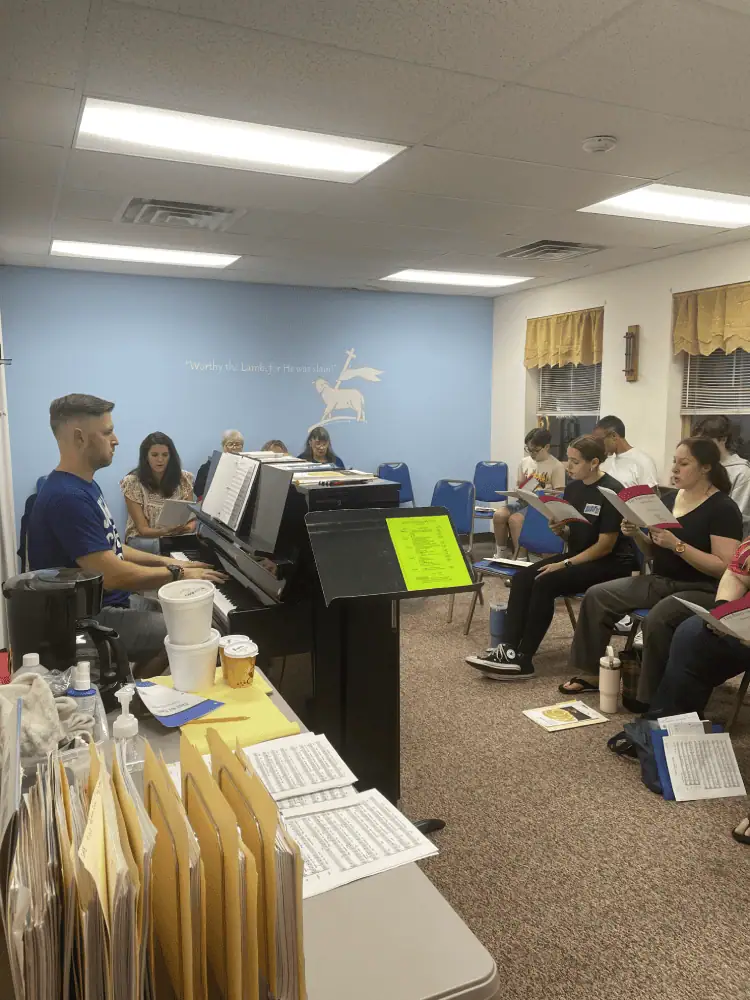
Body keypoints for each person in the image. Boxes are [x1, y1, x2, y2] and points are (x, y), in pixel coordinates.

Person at [29, 394, 226, 676]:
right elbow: (112, 575)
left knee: (179, 612)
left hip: (109, 602)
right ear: (80, 438)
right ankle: (133, 696)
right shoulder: (67, 498)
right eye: (107, 432)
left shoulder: (83, 485)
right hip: (88, 618)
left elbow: (115, 547)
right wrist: (178, 574)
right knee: (200, 629)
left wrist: (173, 564)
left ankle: (133, 685)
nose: (116, 439)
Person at [561, 437, 743, 699]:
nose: (674, 470)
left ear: (706, 468)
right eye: (674, 463)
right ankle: (590, 674)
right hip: (662, 579)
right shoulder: (669, 500)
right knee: (597, 595)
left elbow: (723, 568)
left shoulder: (723, 508)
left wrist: (677, 545)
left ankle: (651, 697)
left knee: (659, 617)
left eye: (684, 463)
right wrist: (636, 534)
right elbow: (653, 552)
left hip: (702, 587)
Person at [465, 436, 637, 680]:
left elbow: (605, 546)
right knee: (524, 577)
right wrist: (562, 530)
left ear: (595, 462)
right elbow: (573, 531)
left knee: (546, 581)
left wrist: (564, 563)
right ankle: (508, 648)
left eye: (576, 462)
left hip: (609, 563)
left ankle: (525, 659)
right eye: (569, 460)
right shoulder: (575, 488)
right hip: (580, 555)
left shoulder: (612, 491)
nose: (569, 467)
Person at [492, 427, 566, 557]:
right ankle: (501, 553)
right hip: (523, 501)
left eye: (535, 450)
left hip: (542, 506)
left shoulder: (556, 466)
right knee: (499, 515)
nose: (532, 454)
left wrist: (542, 494)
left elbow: (559, 495)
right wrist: (518, 490)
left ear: (547, 447)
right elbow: (520, 485)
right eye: (528, 449)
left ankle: (520, 558)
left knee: (515, 520)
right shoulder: (524, 462)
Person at [120, 432, 195, 553]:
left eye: (165, 455)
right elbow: (143, 529)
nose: (160, 460)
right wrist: (166, 532)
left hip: (174, 537)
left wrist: (186, 529)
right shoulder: (132, 482)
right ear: (146, 457)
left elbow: (191, 520)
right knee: (163, 547)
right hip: (142, 539)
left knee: (196, 545)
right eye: (154, 455)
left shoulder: (184, 479)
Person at [694, 415, 750, 531]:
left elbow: (738, 516)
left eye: (707, 441)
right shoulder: (700, 466)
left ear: (723, 439)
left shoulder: (742, 472)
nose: (703, 447)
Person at [593, 415, 659, 488]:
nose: (599, 445)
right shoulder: (607, 461)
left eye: (600, 441)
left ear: (614, 436)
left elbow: (651, 496)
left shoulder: (643, 461)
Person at [194, 428, 245, 498]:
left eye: (237, 444)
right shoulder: (207, 467)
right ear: (223, 446)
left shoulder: (245, 466)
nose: (234, 447)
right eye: (230, 444)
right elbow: (198, 490)